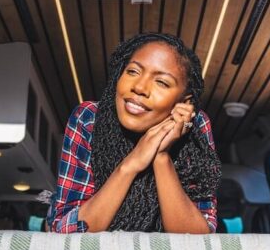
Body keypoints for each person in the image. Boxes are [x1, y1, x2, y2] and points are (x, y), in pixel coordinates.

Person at [46, 33, 221, 233]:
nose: (139, 87)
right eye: (133, 71)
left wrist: (161, 156)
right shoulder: (89, 118)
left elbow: (198, 239)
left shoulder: (195, 126)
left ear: (184, 102)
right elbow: (65, 233)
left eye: (162, 82)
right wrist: (131, 165)